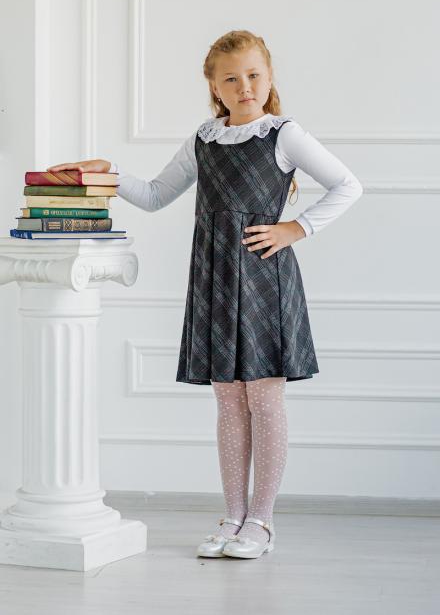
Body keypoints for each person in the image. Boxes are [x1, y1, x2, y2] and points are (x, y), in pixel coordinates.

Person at [47, 29, 363, 560]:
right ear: (215, 87)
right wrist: (109, 172)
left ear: (269, 77)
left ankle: (261, 521)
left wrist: (296, 228)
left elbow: (348, 184)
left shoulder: (283, 134)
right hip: (214, 279)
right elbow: (154, 195)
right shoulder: (204, 139)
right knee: (228, 400)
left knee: (264, 398)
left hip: (264, 280)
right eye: (231, 79)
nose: (245, 87)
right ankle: (233, 516)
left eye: (254, 75)